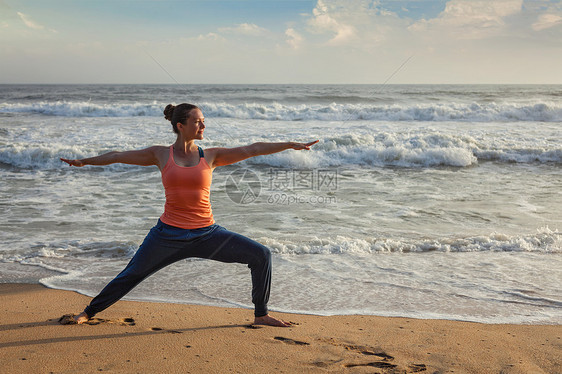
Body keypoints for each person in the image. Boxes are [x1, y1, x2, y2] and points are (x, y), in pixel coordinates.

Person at [61, 103, 318, 327]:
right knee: (131, 274)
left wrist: (288, 145)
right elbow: (117, 156)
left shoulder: (212, 155)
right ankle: (88, 312)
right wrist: (85, 161)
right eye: (198, 121)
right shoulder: (160, 154)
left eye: (204, 121)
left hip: (207, 234)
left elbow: (252, 149)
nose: (203, 125)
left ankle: (261, 315)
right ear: (181, 125)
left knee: (261, 255)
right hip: (167, 235)